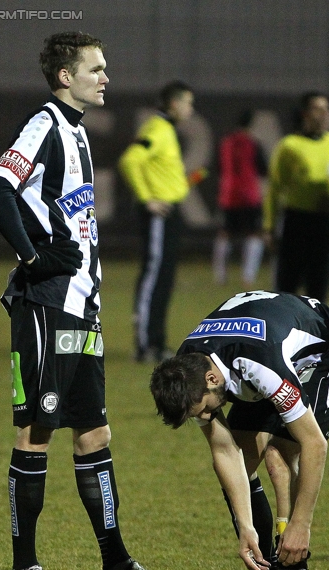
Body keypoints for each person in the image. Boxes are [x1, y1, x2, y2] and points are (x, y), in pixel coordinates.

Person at [0, 31, 185, 570]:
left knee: (94, 432)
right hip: (46, 307)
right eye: (96, 68)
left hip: (81, 309)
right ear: (65, 76)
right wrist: (32, 256)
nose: (106, 77)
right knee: (36, 431)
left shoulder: (77, 133)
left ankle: (116, 566)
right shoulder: (45, 123)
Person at [150, 290, 329, 570]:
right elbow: (226, 452)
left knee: (282, 452)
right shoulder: (187, 368)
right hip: (264, 354)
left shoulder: (258, 363)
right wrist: (246, 528)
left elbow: (315, 445)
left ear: (212, 380)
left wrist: (300, 526)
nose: (207, 414)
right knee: (244, 452)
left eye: (206, 408)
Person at [118, 81, 194, 363]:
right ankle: (144, 345)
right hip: (158, 215)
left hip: (169, 214)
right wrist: (147, 197)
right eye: (187, 103)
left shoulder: (166, 130)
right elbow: (130, 160)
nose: (190, 109)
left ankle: (157, 342)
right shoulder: (157, 129)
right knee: (154, 277)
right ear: (174, 104)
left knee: (164, 279)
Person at [264, 92, 329, 302]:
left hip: (323, 222)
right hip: (295, 222)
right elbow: (275, 189)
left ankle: (316, 333)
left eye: (327, 109)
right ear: (305, 114)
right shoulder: (289, 146)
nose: (324, 114)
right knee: (286, 289)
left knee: (319, 289)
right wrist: (269, 226)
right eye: (318, 109)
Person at [212, 109, 268, 287]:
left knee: (225, 234)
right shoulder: (253, 144)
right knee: (254, 234)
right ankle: (247, 277)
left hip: (228, 195)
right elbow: (263, 169)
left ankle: (220, 276)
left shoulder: (226, 143)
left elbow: (218, 167)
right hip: (249, 195)